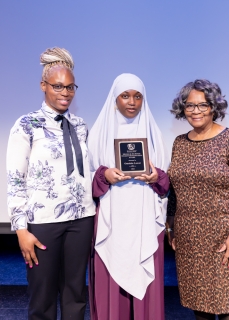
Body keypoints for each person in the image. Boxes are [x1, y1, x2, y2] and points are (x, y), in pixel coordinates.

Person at [6, 47, 95, 320]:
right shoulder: (27, 125)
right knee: (42, 297)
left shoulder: (80, 125)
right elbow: (14, 179)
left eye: (70, 87)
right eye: (58, 86)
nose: (65, 93)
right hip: (43, 221)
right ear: (43, 86)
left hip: (82, 218)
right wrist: (21, 229)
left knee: (75, 295)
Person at [167, 79, 229, 320]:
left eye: (202, 105)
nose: (195, 111)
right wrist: (172, 226)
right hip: (190, 240)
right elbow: (175, 188)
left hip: (226, 236)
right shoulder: (180, 143)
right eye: (190, 105)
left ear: (214, 107)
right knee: (201, 306)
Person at [87, 73, 170, 320]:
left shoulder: (154, 135)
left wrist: (156, 178)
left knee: (147, 293)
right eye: (125, 96)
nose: (131, 102)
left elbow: (165, 184)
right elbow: (84, 182)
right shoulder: (98, 135)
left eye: (137, 96)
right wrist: (104, 175)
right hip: (111, 222)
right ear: (115, 99)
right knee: (111, 290)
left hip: (145, 219)